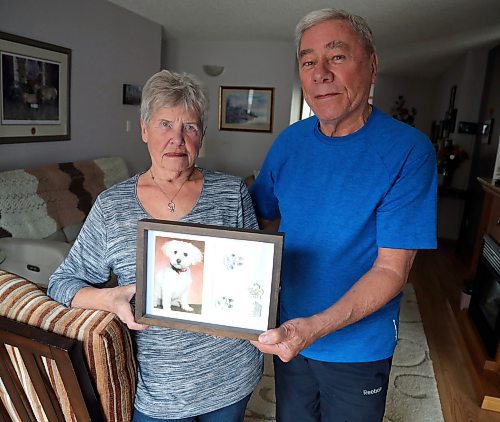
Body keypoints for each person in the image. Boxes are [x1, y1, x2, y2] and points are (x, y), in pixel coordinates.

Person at [250, 8, 436, 422]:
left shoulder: (409, 150)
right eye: (308, 60)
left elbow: (392, 270)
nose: (321, 73)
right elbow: (254, 219)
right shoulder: (289, 143)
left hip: (358, 345)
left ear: (371, 65)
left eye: (337, 56)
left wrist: (311, 328)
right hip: (288, 333)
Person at [48, 69, 262, 422]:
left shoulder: (232, 193)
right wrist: (108, 299)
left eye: (189, 127)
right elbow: (61, 283)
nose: (177, 138)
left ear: (202, 136)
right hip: (159, 390)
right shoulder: (112, 206)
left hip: (231, 375)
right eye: (165, 124)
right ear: (144, 129)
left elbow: (255, 276)